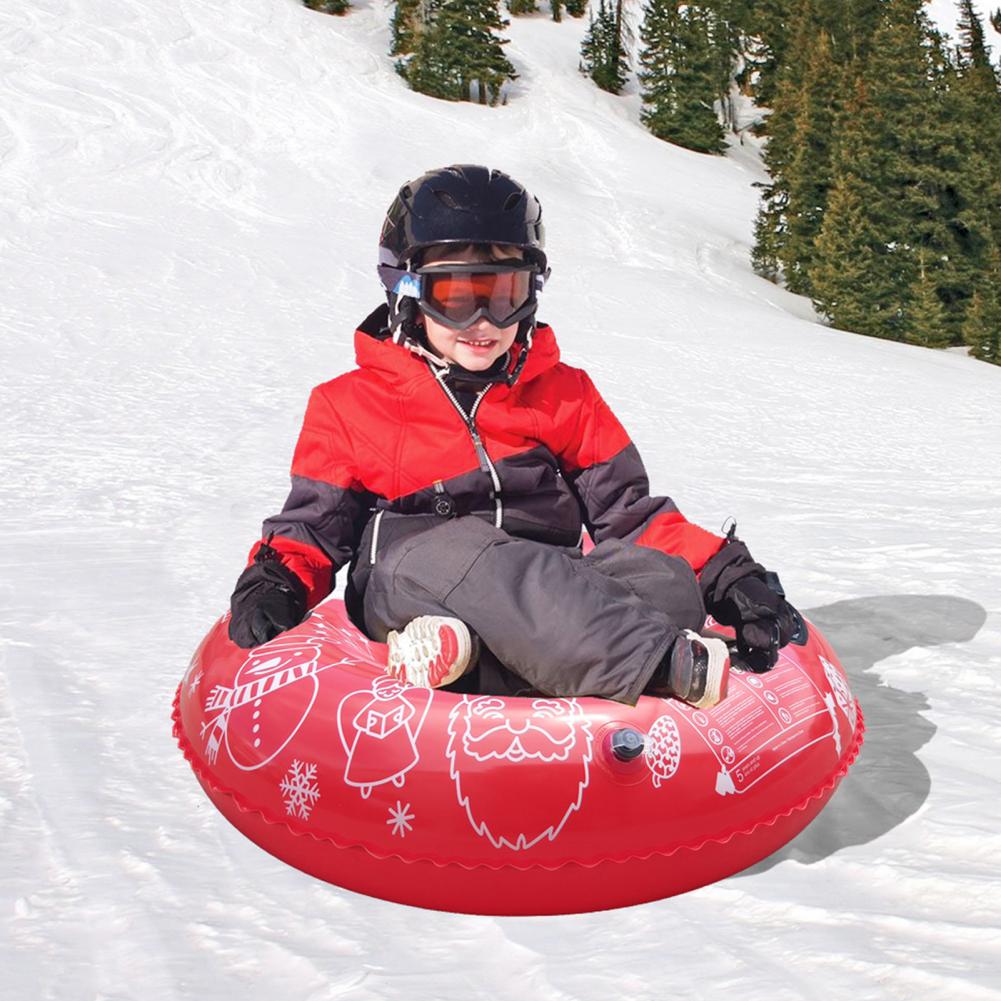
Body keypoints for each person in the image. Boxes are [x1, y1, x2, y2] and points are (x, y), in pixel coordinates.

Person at [227, 164, 799, 709]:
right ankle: (660, 665)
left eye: (505, 294)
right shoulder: (348, 403)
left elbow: (630, 516)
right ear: (407, 292)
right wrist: (277, 578)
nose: (484, 322)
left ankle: (469, 659)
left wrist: (727, 574)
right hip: (417, 581)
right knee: (463, 553)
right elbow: (312, 526)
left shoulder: (564, 393)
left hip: (549, 595)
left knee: (665, 583)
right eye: (456, 297)